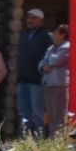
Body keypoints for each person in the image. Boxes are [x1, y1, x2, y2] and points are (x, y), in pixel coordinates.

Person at [16, 8, 53, 136]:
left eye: (34, 18)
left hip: (37, 80)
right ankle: (25, 137)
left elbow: (50, 56)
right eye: (29, 18)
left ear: (41, 20)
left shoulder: (46, 36)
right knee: (23, 111)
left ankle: (39, 137)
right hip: (22, 78)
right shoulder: (23, 34)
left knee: (38, 111)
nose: (30, 20)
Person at [41, 23, 72, 136]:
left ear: (62, 35)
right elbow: (41, 63)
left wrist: (50, 56)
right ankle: (52, 137)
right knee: (50, 113)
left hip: (60, 84)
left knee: (58, 113)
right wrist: (44, 66)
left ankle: (58, 139)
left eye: (55, 33)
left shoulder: (67, 47)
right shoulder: (52, 48)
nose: (52, 35)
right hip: (48, 83)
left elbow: (56, 61)